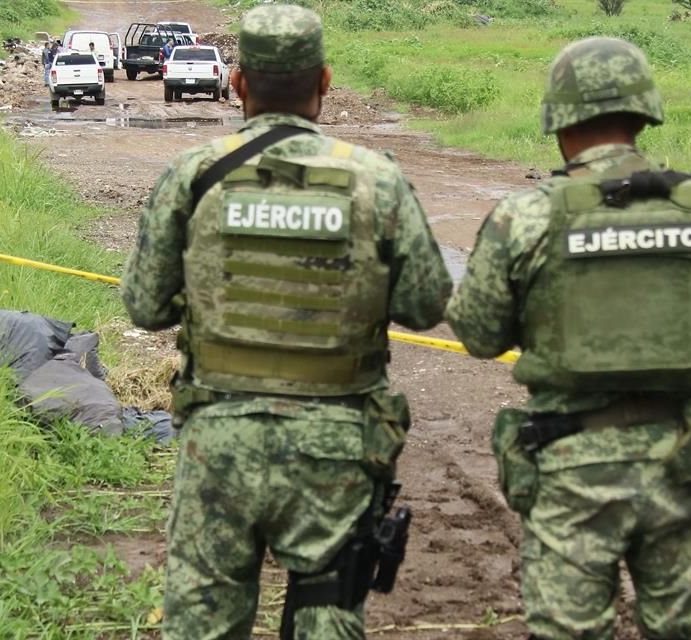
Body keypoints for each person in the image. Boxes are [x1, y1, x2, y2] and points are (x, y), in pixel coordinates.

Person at [121, 5, 451, 639]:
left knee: (203, 623)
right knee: (327, 615)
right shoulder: (376, 179)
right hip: (336, 443)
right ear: (325, 82)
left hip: (219, 439)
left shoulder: (192, 177)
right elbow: (425, 303)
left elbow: (144, 305)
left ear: (238, 83)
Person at [446, 37, 691, 640]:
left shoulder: (527, 216)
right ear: (644, 111)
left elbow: (479, 333)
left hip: (569, 467)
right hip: (686, 459)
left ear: (558, 118)